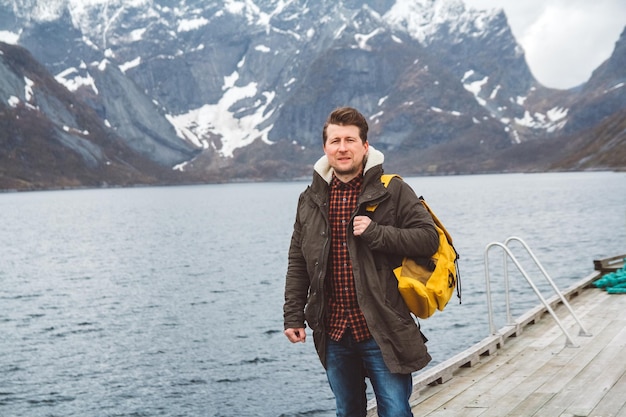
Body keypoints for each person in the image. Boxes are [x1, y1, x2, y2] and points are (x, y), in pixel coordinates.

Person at [283, 106, 439, 417]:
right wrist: (293, 316)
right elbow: (298, 261)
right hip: (334, 331)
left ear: (365, 146)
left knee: (395, 411)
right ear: (325, 148)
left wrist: (377, 233)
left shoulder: (392, 190)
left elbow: (428, 238)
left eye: (350, 140)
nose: (342, 148)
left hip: (383, 327)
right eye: (335, 140)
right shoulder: (310, 199)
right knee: (348, 411)